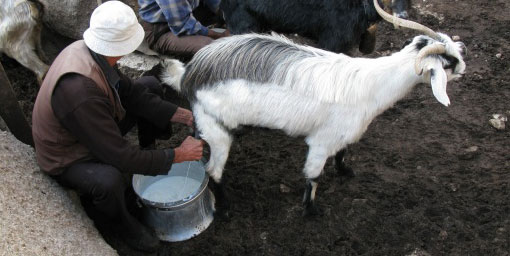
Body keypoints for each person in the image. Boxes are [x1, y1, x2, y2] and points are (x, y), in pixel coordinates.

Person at [31, 1, 204, 252]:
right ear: (120, 45)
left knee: (149, 86)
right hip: (68, 156)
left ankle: (148, 152)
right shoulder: (79, 91)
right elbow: (118, 156)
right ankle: (123, 226)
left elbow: (132, 93)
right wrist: (178, 156)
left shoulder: (90, 51)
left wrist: (184, 115)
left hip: (92, 129)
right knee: (109, 180)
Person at [138, 0, 230, 60]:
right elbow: (182, 24)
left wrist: (229, 18)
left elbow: (215, 3)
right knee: (211, 47)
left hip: (188, 12)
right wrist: (217, 35)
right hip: (160, 29)